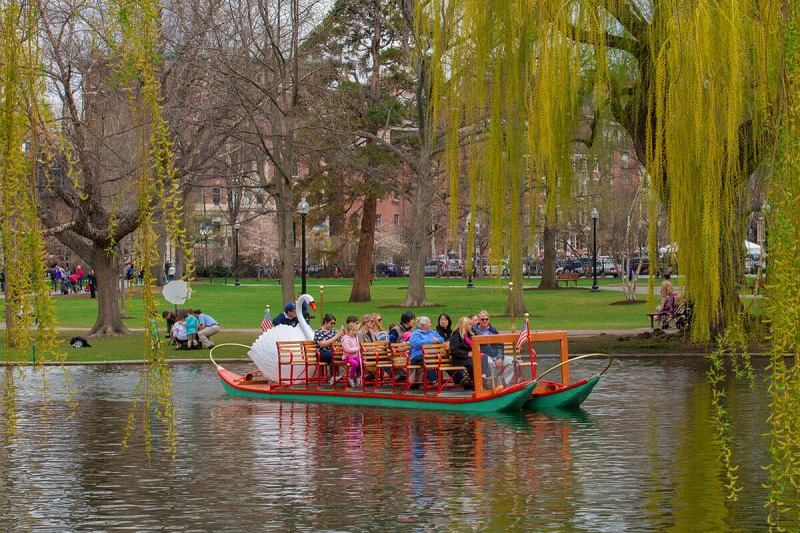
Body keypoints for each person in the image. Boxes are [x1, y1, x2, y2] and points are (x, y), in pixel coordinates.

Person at [472, 310, 516, 387]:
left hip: (495, 354)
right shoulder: (474, 331)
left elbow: (500, 345)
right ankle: (490, 385)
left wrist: (499, 358)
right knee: (489, 363)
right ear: (479, 320)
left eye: (486, 319)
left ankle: (502, 383)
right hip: (484, 355)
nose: (485, 321)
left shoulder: (493, 330)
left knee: (513, 362)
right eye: (482, 319)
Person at [409, 316, 444, 386]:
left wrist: (438, 340)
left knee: (445, 358)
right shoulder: (415, 334)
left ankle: (460, 379)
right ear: (424, 325)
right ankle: (434, 381)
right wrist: (431, 341)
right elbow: (417, 344)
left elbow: (442, 339)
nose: (430, 324)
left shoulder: (432, 332)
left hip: (433, 354)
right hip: (418, 356)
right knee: (429, 358)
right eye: (429, 323)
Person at [315, 314, 344, 385]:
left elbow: (338, 341)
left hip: (332, 353)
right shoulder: (319, 332)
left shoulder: (333, 331)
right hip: (321, 353)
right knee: (334, 355)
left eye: (334, 323)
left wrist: (341, 335)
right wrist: (336, 336)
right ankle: (333, 377)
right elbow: (323, 344)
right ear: (325, 322)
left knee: (336, 356)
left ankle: (334, 377)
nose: (333, 325)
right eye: (331, 323)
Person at [449, 316, 475, 385]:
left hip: (468, 357)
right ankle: (475, 382)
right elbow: (455, 350)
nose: (471, 326)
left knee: (480, 360)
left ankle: (481, 379)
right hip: (459, 358)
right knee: (473, 363)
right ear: (464, 325)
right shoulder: (456, 334)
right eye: (469, 324)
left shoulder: (470, 334)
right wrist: (467, 354)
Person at [341, 321, 362, 387]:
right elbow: (348, 350)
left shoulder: (354, 338)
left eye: (355, 331)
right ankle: (351, 378)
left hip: (354, 356)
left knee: (361, 361)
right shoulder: (346, 339)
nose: (354, 332)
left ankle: (359, 377)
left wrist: (358, 350)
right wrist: (357, 348)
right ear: (348, 330)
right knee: (355, 363)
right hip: (347, 358)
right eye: (353, 331)